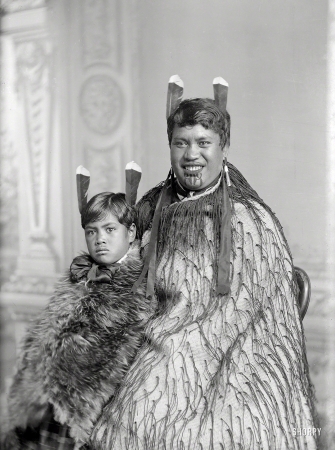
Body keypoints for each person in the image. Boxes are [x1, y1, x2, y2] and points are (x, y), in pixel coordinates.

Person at [88, 77, 318, 449]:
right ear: (170, 147)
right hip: (153, 343)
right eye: (181, 143)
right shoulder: (150, 207)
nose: (191, 155)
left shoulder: (249, 220)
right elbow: (120, 274)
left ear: (223, 148)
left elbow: (249, 314)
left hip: (237, 358)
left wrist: (179, 347)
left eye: (203, 143)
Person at [2, 166, 155, 449]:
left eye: (110, 230)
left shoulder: (133, 290)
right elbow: (46, 335)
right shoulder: (81, 276)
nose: (100, 239)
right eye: (91, 231)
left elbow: (103, 358)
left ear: (131, 232)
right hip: (40, 401)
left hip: (78, 410)